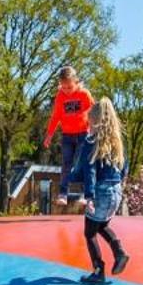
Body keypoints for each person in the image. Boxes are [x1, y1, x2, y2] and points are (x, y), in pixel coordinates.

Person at [71, 98, 131, 285]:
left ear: (95, 121)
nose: (88, 127)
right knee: (102, 225)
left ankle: (98, 271)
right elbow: (124, 168)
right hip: (116, 191)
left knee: (90, 233)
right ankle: (119, 252)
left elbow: (90, 170)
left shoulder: (91, 141)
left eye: (89, 123)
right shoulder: (117, 142)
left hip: (100, 192)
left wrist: (89, 195)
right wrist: (118, 187)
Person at [45, 66, 95, 210]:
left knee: (80, 163)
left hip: (83, 134)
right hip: (67, 135)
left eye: (69, 87)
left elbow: (94, 112)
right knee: (66, 164)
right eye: (64, 87)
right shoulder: (60, 96)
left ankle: (83, 195)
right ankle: (63, 194)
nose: (66, 90)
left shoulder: (84, 94)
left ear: (76, 82)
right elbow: (56, 116)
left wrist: (94, 130)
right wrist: (49, 134)